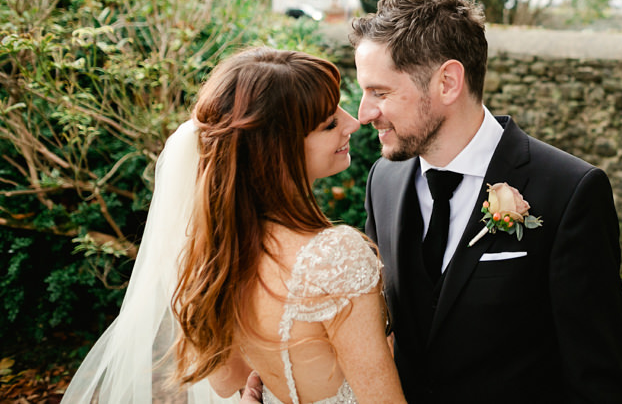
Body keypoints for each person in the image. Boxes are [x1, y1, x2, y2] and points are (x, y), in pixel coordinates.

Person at [62, 47, 406, 404]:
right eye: (329, 123)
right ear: (279, 151)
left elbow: (228, 382)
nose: (353, 121)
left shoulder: (215, 251)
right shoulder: (335, 257)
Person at [351, 0, 622, 403]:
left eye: (380, 92)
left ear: (447, 82)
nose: (364, 113)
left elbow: (596, 380)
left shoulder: (570, 192)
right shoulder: (383, 182)